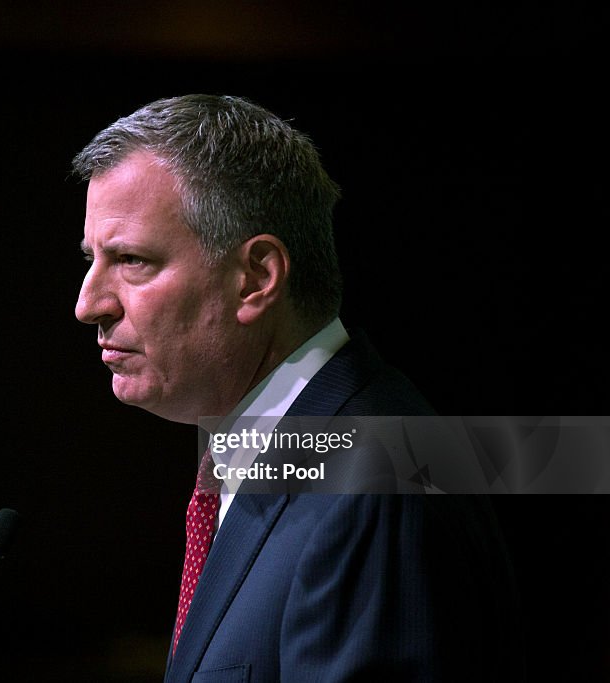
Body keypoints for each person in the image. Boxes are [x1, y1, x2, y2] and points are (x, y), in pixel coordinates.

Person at [72, 94, 523, 682]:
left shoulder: (373, 486)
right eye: (91, 259)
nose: (88, 304)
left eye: (131, 259)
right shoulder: (281, 459)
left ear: (257, 277)